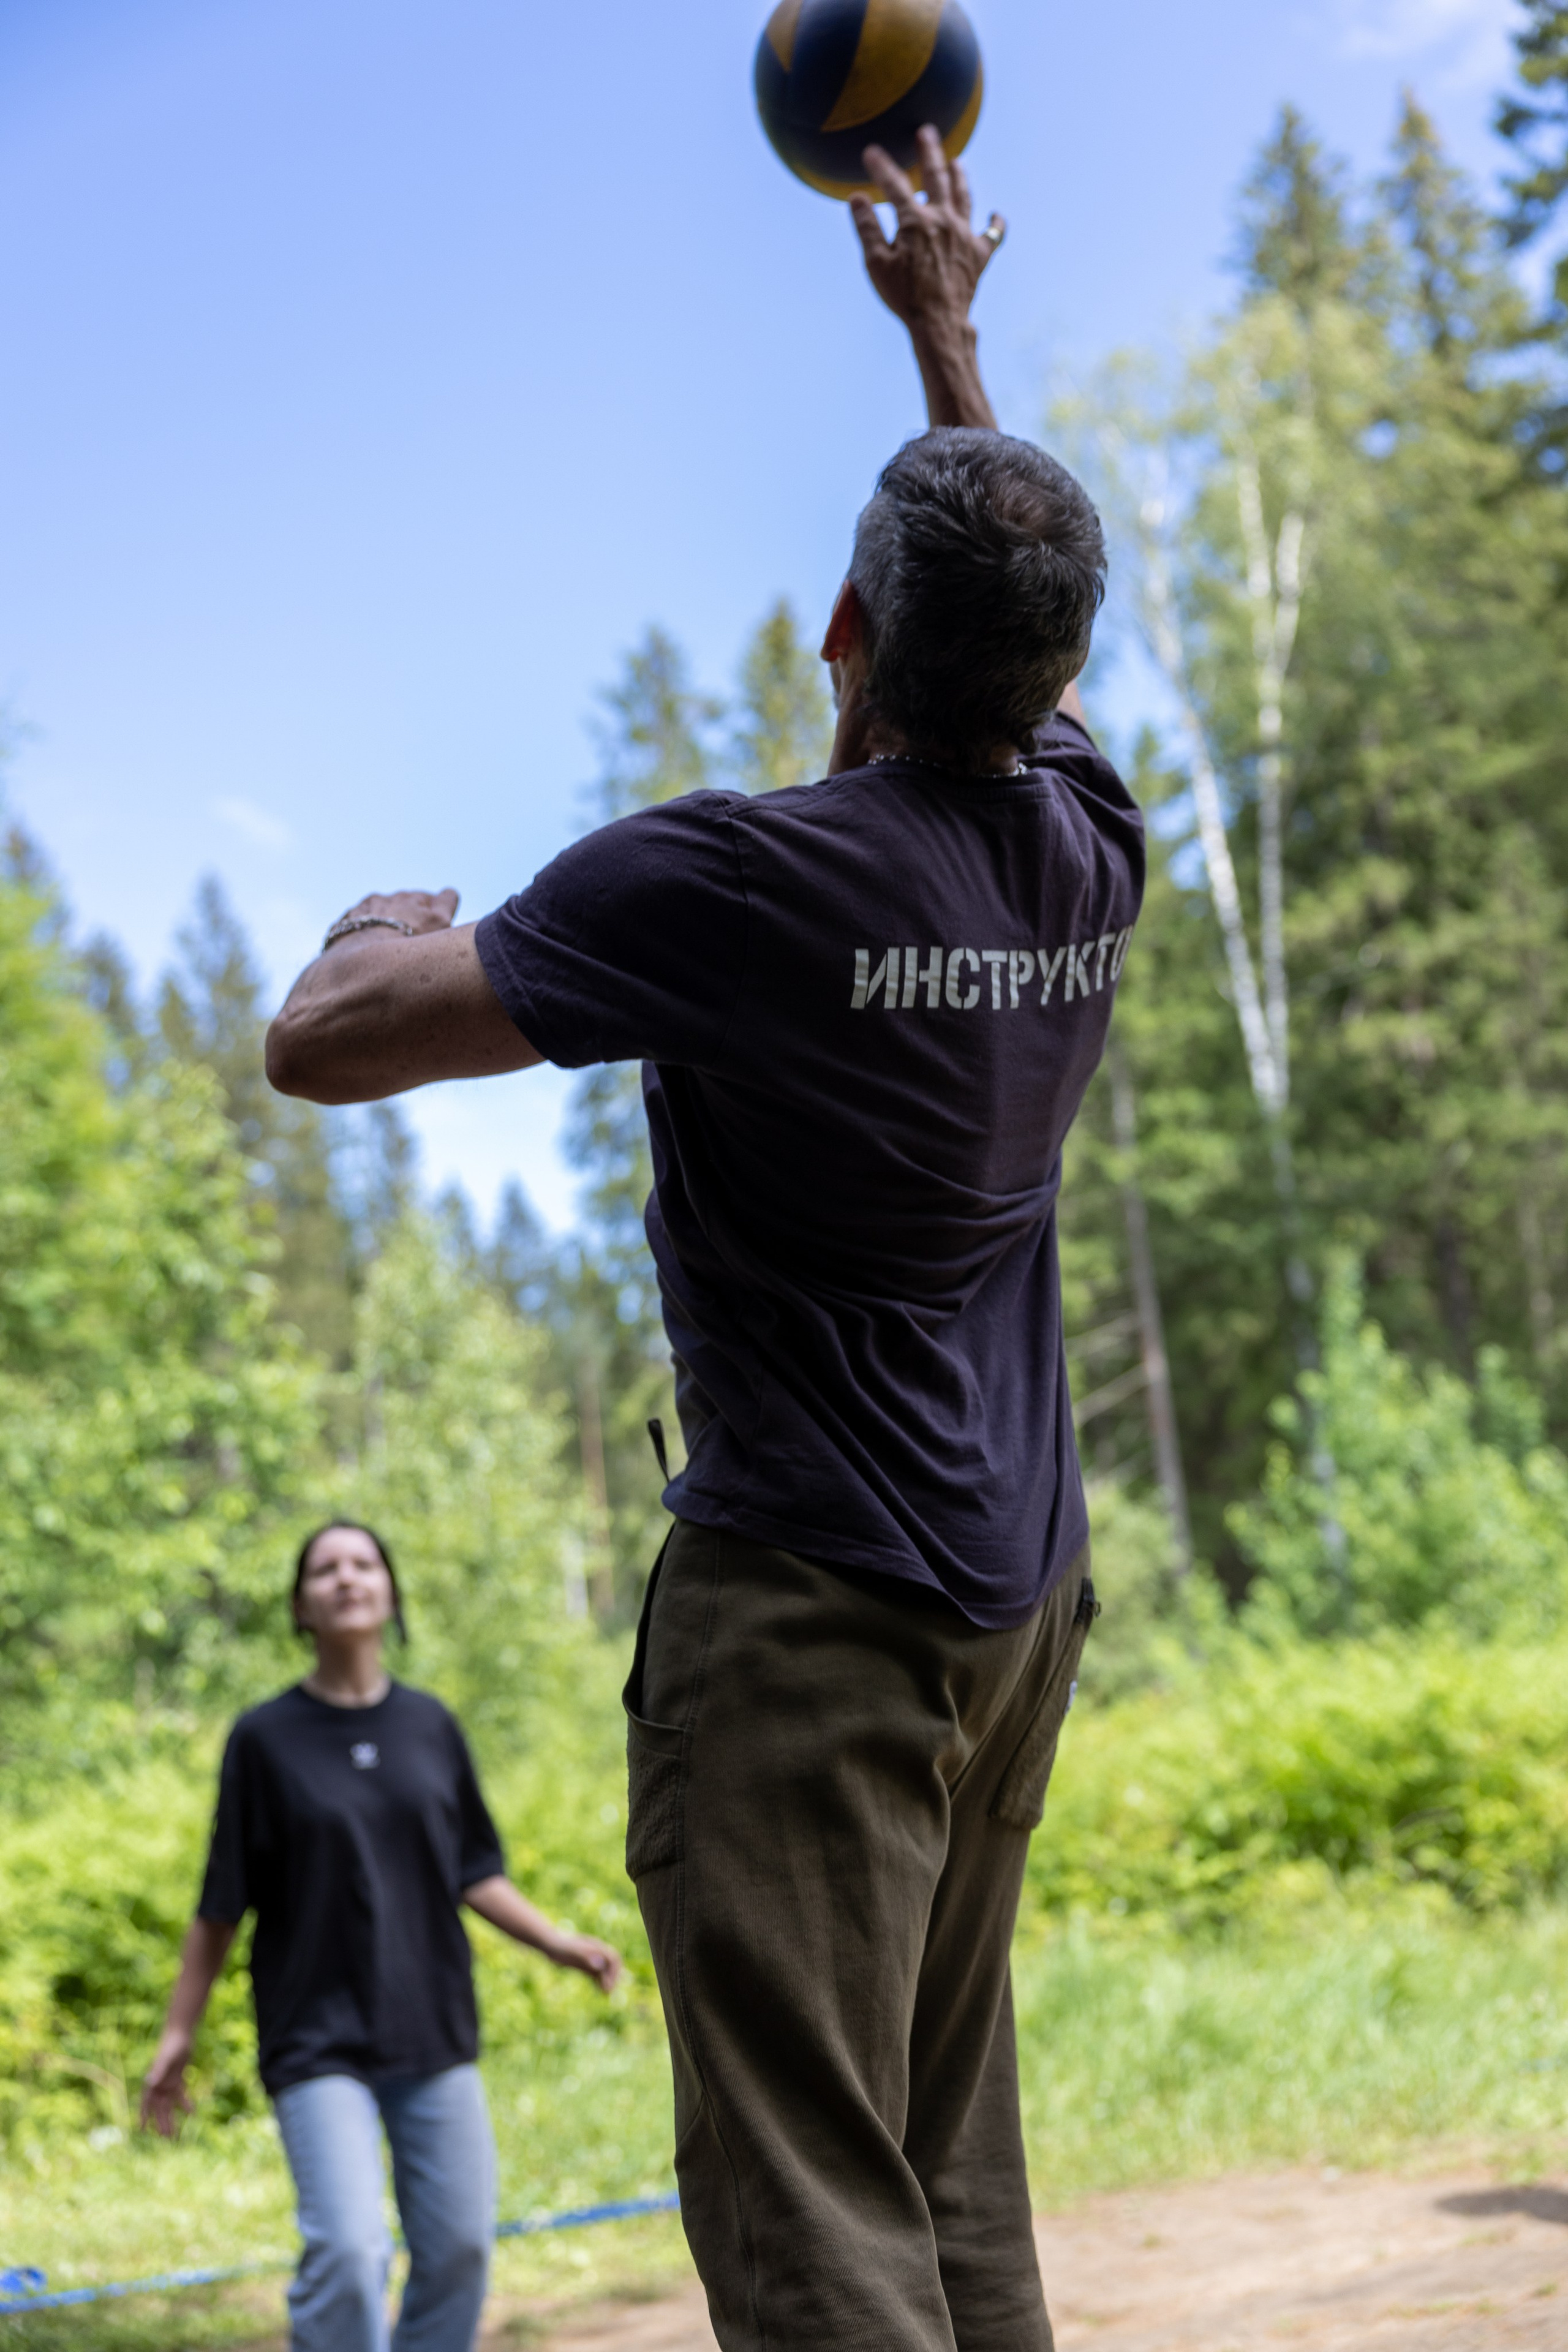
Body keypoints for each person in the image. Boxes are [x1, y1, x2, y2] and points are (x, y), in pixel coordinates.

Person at [264, 130, 1144, 2352]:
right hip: (1012, 1616)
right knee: (952, 2183)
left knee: (816, 2209)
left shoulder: (740, 889)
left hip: (819, 1630)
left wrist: (391, 922)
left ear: (844, 630)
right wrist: (950, 335)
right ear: (1054, 683)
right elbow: (1001, 617)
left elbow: (320, 1047)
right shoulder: (1088, 857)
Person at [140, 1520, 622, 2352]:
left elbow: (474, 1867)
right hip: (316, 2039)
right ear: (301, 1607)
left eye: (364, 1563)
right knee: (351, 2252)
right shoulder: (264, 1740)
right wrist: (179, 2034)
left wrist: (556, 1941)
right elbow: (222, 1903)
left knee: (462, 2251)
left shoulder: (431, 1726)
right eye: (325, 1569)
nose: (347, 1578)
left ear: (390, 1591)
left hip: (430, 2027)